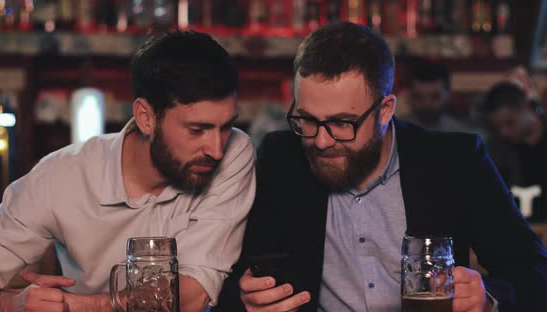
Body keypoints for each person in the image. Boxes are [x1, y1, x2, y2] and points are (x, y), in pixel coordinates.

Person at [216, 22, 547, 312]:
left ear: (385, 110)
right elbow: (236, 279)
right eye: (306, 120)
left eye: (342, 123)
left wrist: (487, 299)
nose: (320, 141)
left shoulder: (455, 161)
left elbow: (535, 272)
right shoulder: (281, 158)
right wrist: (247, 298)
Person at [0, 30, 255, 311]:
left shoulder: (233, 153)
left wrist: (76, 306)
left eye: (226, 126)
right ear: (145, 117)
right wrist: (9, 306)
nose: (216, 148)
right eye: (196, 130)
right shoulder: (59, 177)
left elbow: (191, 297)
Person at [481, 80, 547, 222]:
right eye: (497, 127)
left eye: (509, 122)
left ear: (526, 107)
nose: (503, 132)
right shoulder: (494, 149)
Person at [402, 58, 472, 133]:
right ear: (409, 97)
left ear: (448, 95)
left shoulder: (462, 136)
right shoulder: (394, 134)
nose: (427, 104)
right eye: (419, 97)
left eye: (434, 97)